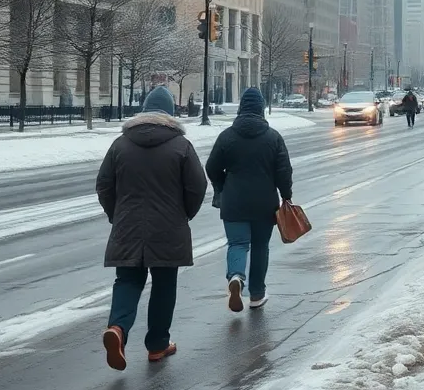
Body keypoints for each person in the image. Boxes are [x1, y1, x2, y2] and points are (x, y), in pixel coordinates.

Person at [97, 86, 207, 371]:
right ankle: (158, 344)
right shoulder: (182, 146)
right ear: (170, 113)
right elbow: (197, 187)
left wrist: (116, 215)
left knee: (128, 280)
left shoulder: (120, 145)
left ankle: (118, 329)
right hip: (168, 228)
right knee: (164, 284)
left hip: (128, 226)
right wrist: (184, 215)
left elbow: (104, 186)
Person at [206, 87, 293, 313]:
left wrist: (222, 185)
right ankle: (256, 294)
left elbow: (211, 167)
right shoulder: (273, 137)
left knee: (237, 244)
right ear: (261, 108)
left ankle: (236, 276)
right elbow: (284, 171)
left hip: (233, 202)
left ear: (241, 108)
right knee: (260, 246)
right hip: (265, 203)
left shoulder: (227, 136)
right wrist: (286, 195)